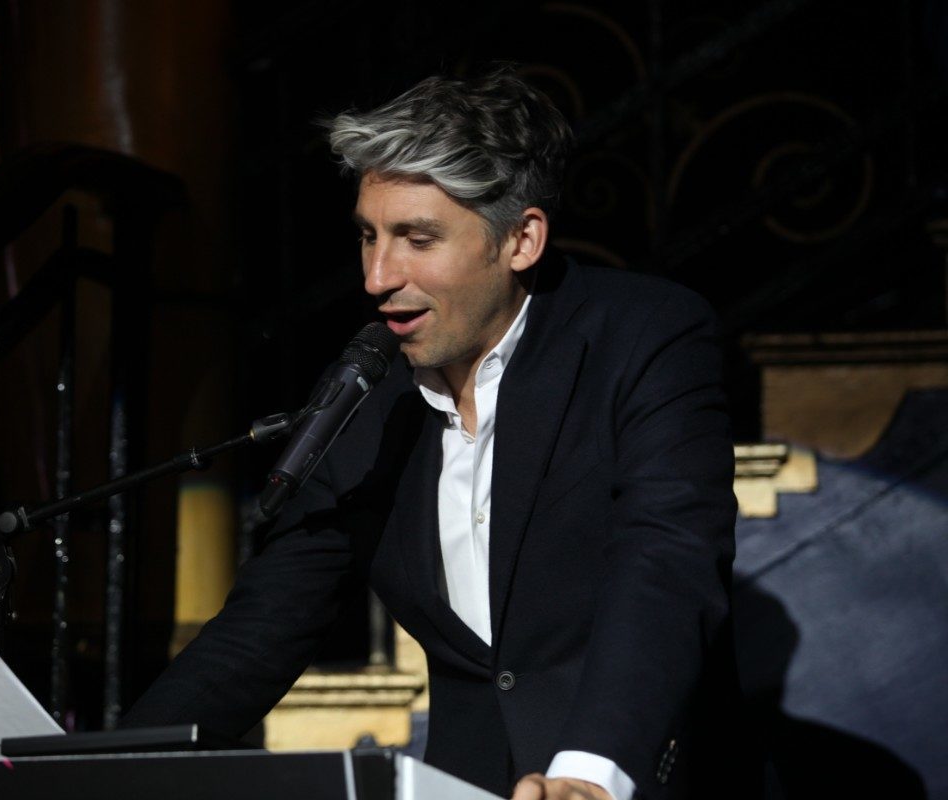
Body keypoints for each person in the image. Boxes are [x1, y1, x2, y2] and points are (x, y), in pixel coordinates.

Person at [121, 69, 739, 800]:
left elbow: (666, 566)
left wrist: (591, 773)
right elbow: (264, 625)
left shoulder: (645, 338)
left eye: (418, 239)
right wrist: (100, 771)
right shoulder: (368, 400)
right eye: (368, 237)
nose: (378, 276)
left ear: (521, 240)